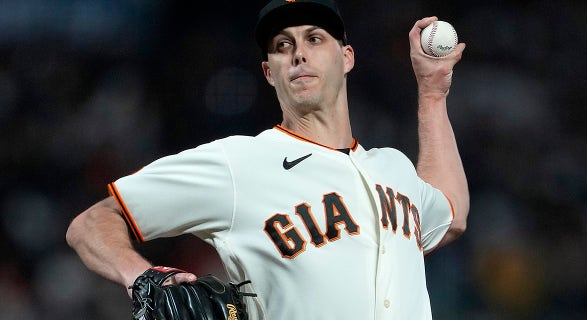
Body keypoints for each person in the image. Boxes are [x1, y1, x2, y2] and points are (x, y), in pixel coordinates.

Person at [66, 0, 469, 319]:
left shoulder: (392, 167)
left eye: (314, 39)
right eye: (282, 46)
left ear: (346, 57)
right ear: (269, 72)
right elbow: (91, 223)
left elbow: (451, 214)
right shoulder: (237, 164)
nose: (297, 54)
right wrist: (141, 276)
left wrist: (433, 94)